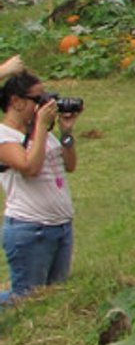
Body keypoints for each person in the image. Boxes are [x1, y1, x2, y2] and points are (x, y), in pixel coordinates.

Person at [0, 71, 78, 305]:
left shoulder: (40, 132)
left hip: (60, 226)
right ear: (15, 101)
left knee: (53, 300)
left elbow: (70, 165)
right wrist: (42, 127)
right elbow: (29, 167)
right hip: (31, 228)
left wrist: (66, 133)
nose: (45, 104)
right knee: (26, 300)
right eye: (38, 99)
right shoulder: (5, 136)